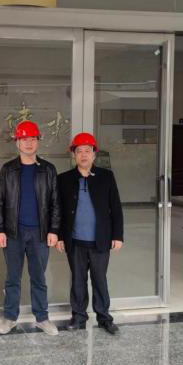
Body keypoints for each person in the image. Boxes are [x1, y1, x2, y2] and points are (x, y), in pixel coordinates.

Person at [0, 120, 61, 336]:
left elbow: (55, 203)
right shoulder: (8, 169)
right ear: (17, 143)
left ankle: (42, 318)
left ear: (38, 142)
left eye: (33, 139)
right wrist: (0, 229)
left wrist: (54, 230)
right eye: (24, 139)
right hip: (13, 232)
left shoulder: (48, 170)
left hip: (40, 233)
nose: (29, 143)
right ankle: (9, 318)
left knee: (38, 277)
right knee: (13, 278)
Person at [56, 132, 123, 335]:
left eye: (88, 151)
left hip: (100, 240)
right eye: (79, 151)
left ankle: (104, 318)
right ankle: (78, 317)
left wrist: (118, 236)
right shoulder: (64, 179)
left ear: (94, 154)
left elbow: (116, 207)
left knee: (99, 279)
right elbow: (58, 210)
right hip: (75, 241)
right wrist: (59, 236)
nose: (84, 155)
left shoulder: (106, 177)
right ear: (74, 155)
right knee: (78, 280)